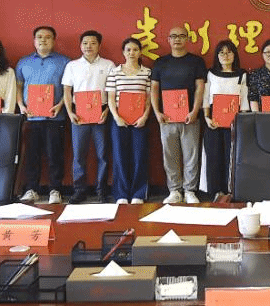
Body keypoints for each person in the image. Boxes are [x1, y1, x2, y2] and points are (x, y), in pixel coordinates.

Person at [150, 25, 207, 204]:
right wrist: (157, 112)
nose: (177, 39)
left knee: (191, 155)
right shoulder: (160, 62)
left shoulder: (196, 61)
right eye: (174, 36)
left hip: (190, 117)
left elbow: (200, 88)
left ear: (187, 39)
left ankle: (190, 190)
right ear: (168, 40)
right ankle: (174, 190)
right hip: (166, 118)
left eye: (182, 36)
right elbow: (154, 89)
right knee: (170, 155)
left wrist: (195, 111)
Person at [16, 26, 70, 204]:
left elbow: (69, 89)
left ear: (54, 41)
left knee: (55, 154)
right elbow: (18, 86)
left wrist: (60, 105)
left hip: (55, 116)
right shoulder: (23, 62)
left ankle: (55, 189)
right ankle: (32, 189)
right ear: (34, 40)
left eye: (47, 37)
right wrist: (21, 105)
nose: (43, 40)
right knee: (32, 155)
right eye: (39, 37)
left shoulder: (65, 62)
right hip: (31, 117)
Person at [62, 30, 114, 203]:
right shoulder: (72, 65)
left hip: (102, 112)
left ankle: (102, 191)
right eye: (85, 43)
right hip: (79, 113)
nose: (88, 46)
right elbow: (67, 91)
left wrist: (108, 111)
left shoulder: (108, 65)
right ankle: (79, 190)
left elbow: (112, 91)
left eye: (93, 43)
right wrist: (70, 112)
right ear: (80, 45)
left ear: (99, 45)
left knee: (103, 154)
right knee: (79, 154)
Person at [106, 37, 152, 204]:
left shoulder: (147, 72)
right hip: (119, 120)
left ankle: (138, 193)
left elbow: (149, 99)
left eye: (135, 50)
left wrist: (145, 116)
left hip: (140, 120)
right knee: (120, 156)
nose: (132, 53)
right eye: (128, 50)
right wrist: (116, 117)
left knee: (139, 156)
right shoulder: (115, 72)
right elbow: (111, 98)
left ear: (140, 52)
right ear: (123, 52)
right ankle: (121, 194)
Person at [202, 40, 249, 200]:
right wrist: (207, 118)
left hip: (234, 122)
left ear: (234, 55)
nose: (225, 55)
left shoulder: (242, 74)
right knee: (214, 156)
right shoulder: (211, 73)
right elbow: (206, 97)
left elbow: (244, 99)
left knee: (231, 156)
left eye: (229, 52)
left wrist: (240, 121)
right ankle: (216, 191)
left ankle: (231, 190)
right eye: (221, 52)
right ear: (217, 56)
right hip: (213, 122)